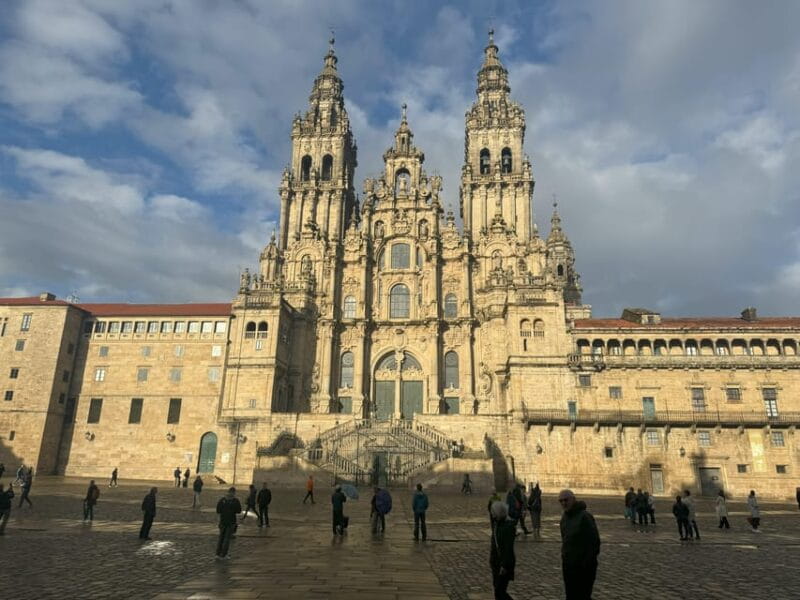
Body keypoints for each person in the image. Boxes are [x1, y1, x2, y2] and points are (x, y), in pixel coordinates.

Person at [559, 489, 601, 600]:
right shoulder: (564, 518)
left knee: (583, 596)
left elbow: (594, 542)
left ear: (573, 499)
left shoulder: (585, 517)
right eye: (561, 501)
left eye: (566, 500)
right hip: (568, 566)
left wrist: (586, 563)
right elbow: (565, 540)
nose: (563, 503)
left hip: (583, 567)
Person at [489, 501, 516, 600]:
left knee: (500, 591)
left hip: (503, 564)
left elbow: (508, 549)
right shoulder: (498, 524)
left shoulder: (507, 527)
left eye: (493, 512)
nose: (492, 514)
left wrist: (504, 565)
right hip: (496, 564)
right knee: (497, 591)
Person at [216, 487, 242, 559]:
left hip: (222, 521)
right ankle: (224, 554)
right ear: (233, 493)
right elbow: (239, 510)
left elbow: (218, 510)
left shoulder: (222, 500)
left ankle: (218, 554)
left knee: (221, 538)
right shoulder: (235, 501)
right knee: (227, 539)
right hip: (231, 522)